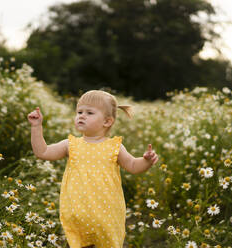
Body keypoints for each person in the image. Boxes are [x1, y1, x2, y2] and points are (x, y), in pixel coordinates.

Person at [27, 90, 158, 248]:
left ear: (107, 122)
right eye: (79, 112)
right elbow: (43, 152)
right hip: (77, 216)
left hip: (106, 215)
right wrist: (36, 127)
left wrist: (146, 161)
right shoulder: (71, 144)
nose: (81, 116)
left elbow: (133, 166)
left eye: (89, 113)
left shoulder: (114, 146)